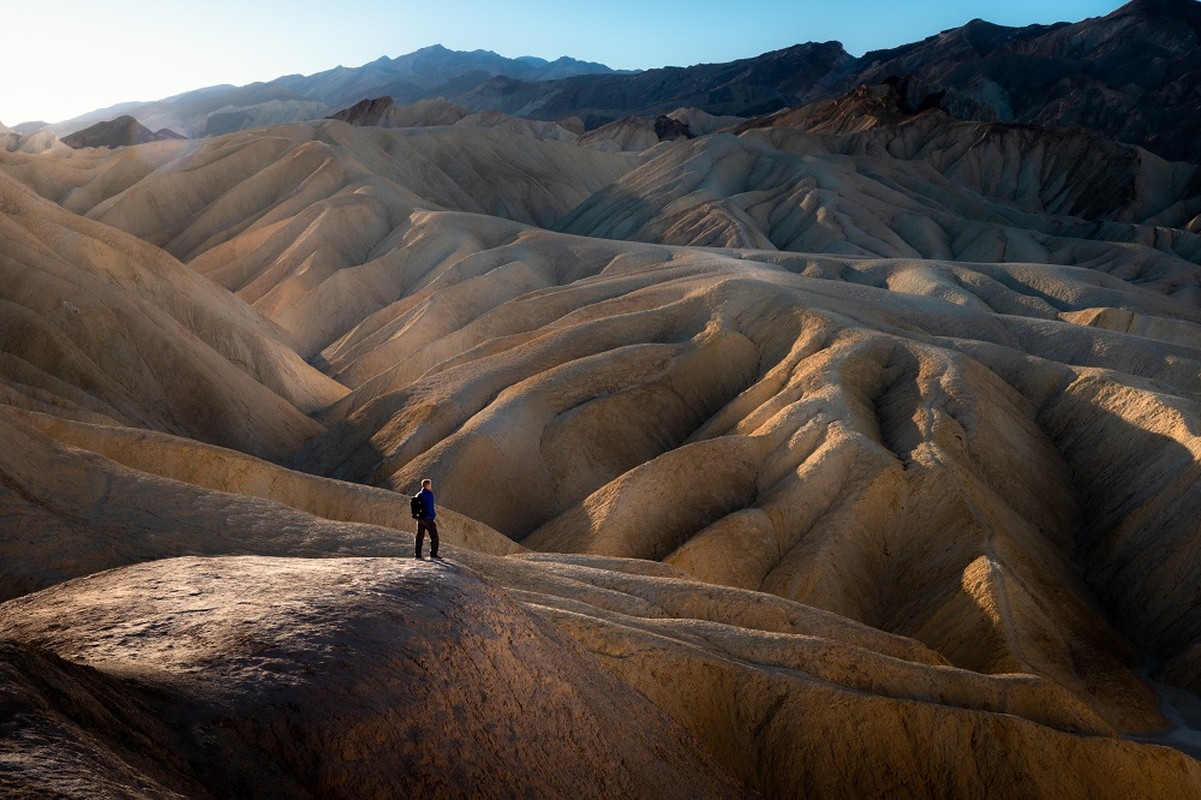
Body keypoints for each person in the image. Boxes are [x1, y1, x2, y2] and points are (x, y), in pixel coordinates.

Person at [414, 478, 440, 559]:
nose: (431, 486)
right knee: (434, 536)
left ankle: (417, 555)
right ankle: (433, 554)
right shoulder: (428, 494)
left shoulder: (418, 494)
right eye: (430, 485)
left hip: (420, 518)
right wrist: (432, 516)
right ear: (427, 485)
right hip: (427, 518)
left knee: (419, 537)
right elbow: (430, 507)